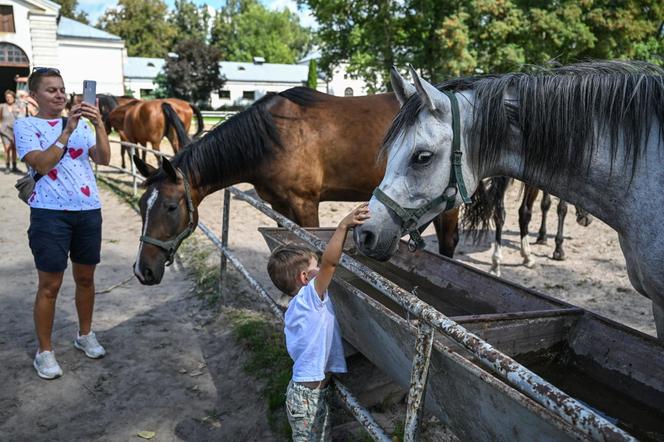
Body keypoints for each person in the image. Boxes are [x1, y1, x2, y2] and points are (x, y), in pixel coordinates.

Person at [14, 67, 111, 380]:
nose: (59, 95)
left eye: (61, 89)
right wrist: (66, 132)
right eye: (51, 90)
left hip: (88, 210)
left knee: (86, 279)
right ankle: (45, 352)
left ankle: (84, 334)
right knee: (50, 285)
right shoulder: (25, 125)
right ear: (35, 95)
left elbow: (104, 159)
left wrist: (98, 125)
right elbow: (42, 163)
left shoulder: (82, 125)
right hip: (49, 213)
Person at [267, 203, 370, 441]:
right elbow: (330, 263)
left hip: (311, 394)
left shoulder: (298, 304)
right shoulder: (310, 297)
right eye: (315, 268)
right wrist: (343, 226)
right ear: (305, 278)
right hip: (306, 399)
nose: (320, 271)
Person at [0, 90, 26, 173]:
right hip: (4, 130)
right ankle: (7, 166)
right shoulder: (2, 106)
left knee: (14, 148)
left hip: (15, 130)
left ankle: (14, 166)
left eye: (10, 97)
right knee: (7, 148)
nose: (8, 99)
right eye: (7, 97)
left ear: (13, 97)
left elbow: (23, 115)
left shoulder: (17, 106)